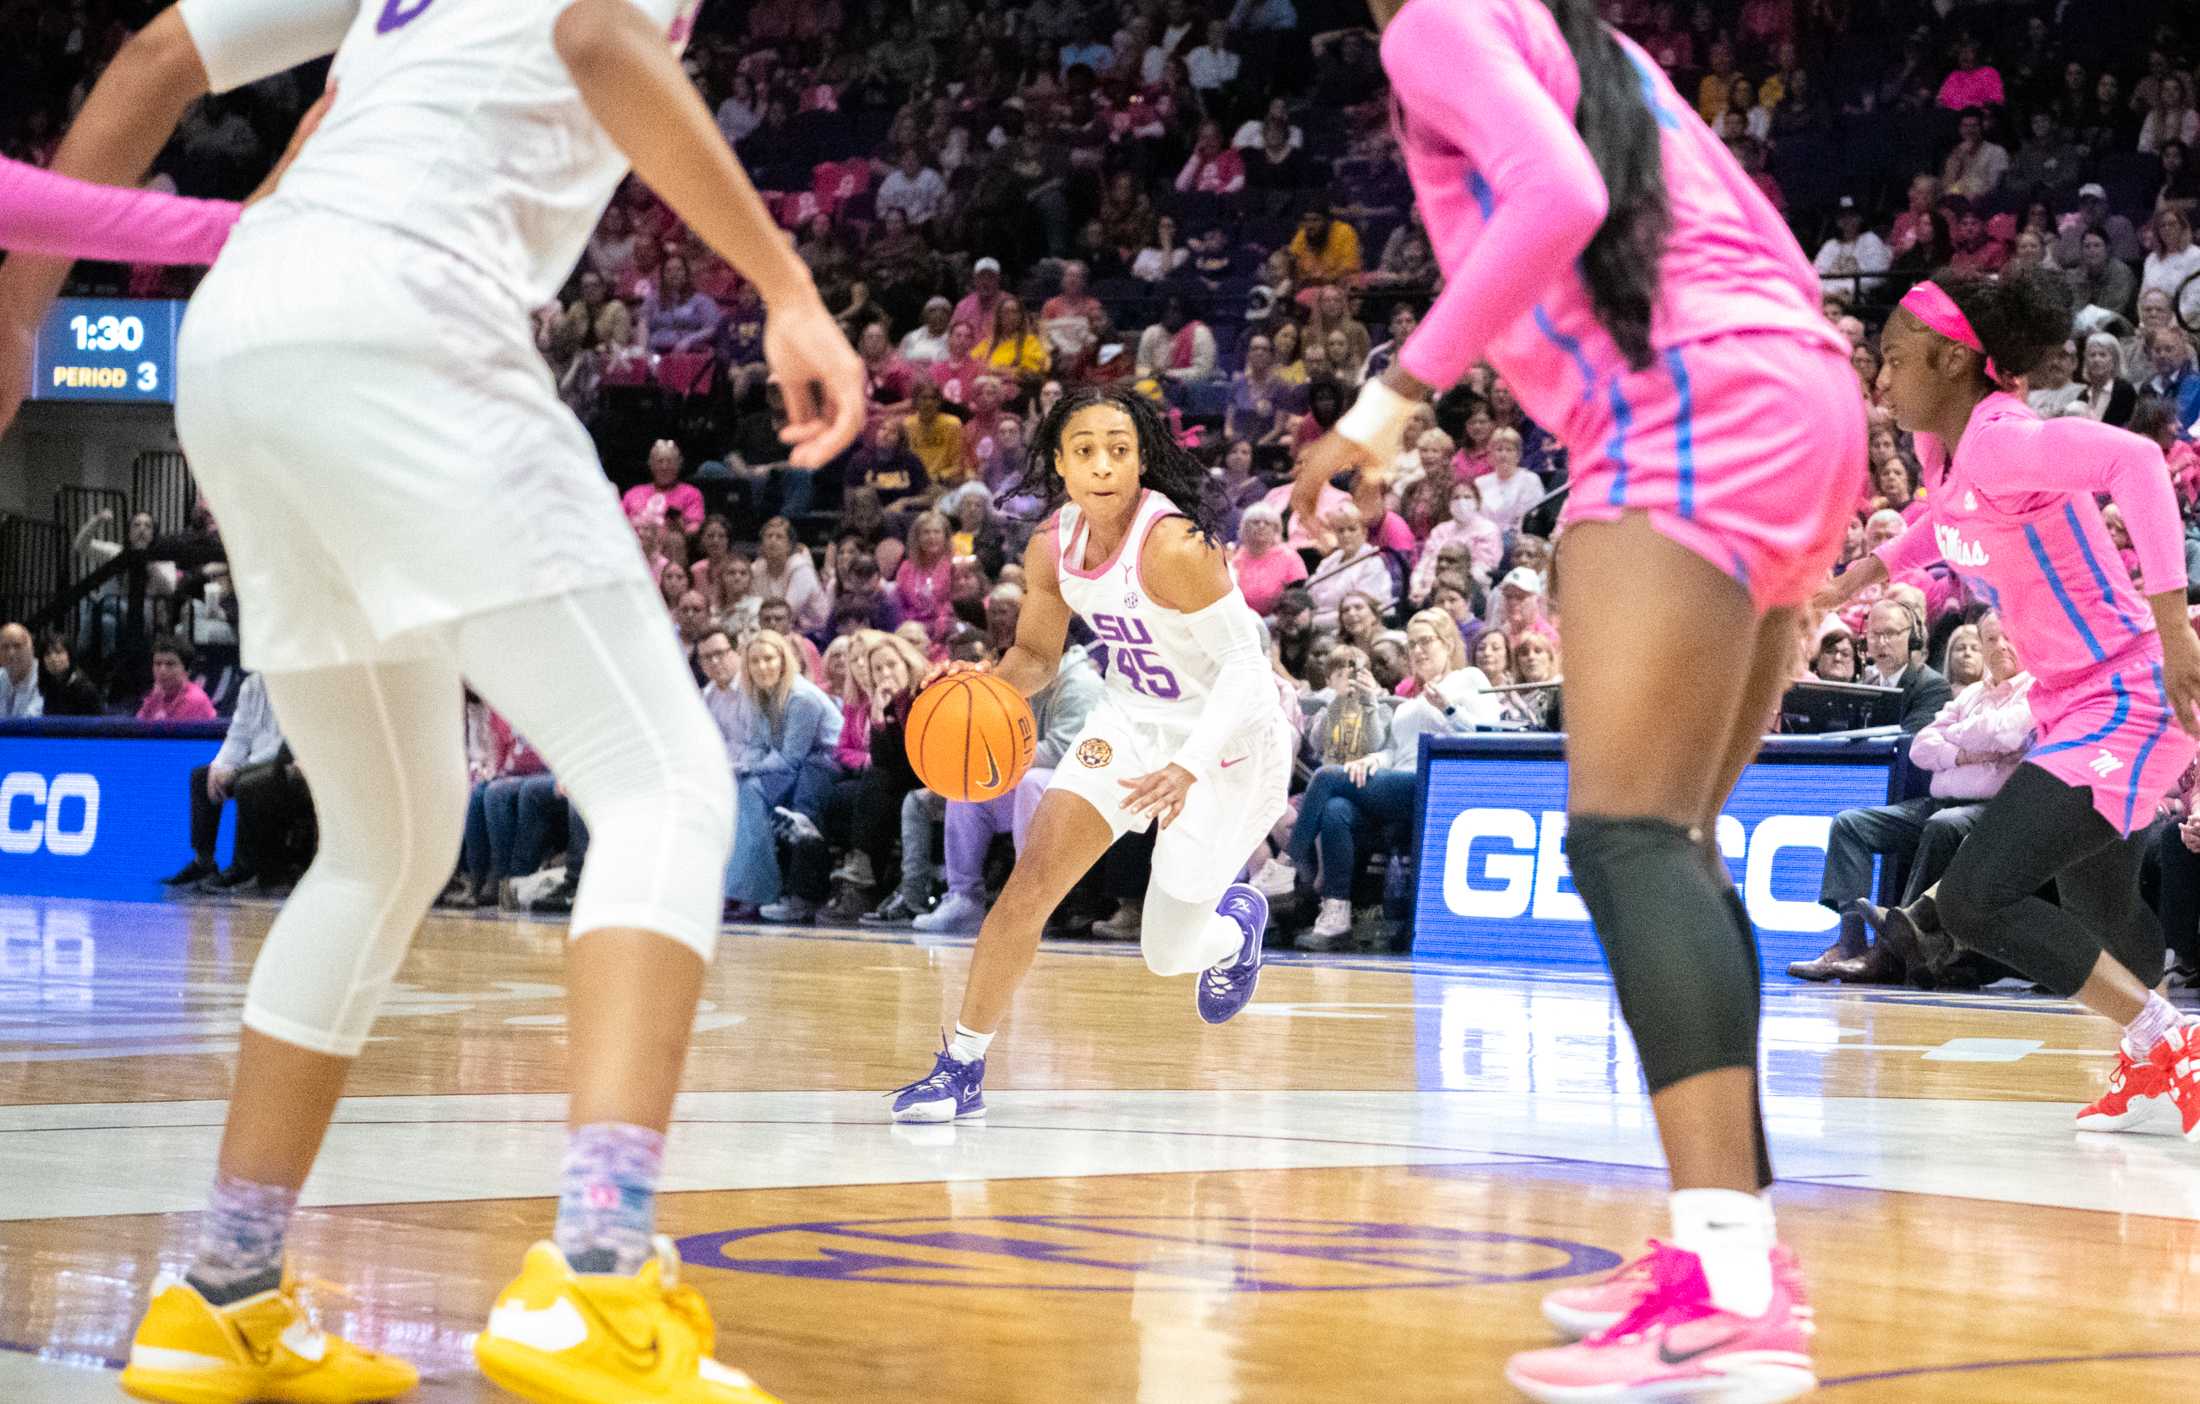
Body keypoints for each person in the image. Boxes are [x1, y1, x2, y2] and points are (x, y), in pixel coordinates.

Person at [3, 3, 867, 1403]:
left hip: (247, 333)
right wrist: (785, 285)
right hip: (403, 319)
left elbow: (166, 56)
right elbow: (597, 32)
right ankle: (597, 1275)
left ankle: (220, 1289)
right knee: (663, 783)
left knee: (389, 839)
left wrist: (16, 315)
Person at [1293, 1, 1868, 1393]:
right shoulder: (1584, 35)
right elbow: (1757, 245)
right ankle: (1728, 1252)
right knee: (1671, 840)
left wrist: (1390, 402)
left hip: (1687, 404)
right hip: (1801, 394)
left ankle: (1730, 1287)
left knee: (1621, 838)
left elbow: (1559, 190)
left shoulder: (1432, 17)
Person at [1820, 270, 2200, 1142]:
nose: (1880, 380)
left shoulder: (2001, 439)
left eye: (1896, 359)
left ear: (1955, 361)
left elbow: (2135, 460)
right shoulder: (1945, 455)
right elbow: (1942, 523)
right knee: (2099, 905)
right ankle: (2153, 1065)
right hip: (2071, 701)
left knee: (1977, 899)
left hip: (2130, 691)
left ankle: (2168, 1041)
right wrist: (1861, 574)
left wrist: (2175, 625)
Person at [887, 386, 1293, 1122]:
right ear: (1059, 463)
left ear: (1141, 462)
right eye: (1085, 450)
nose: (1102, 464)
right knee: (1031, 882)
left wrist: (1189, 767)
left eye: (1118, 449)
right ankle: (962, 1068)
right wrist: (985, 686)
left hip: (1229, 737)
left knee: (1167, 952)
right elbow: (1038, 655)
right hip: (1133, 720)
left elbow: (1244, 668)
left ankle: (1237, 927)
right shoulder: (1053, 544)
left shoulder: (1174, 546)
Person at [1790, 610, 2034, 982]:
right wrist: (1967, 752)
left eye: (2007, 637)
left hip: (1993, 810)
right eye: (1990, 640)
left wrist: (1957, 736)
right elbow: (1922, 746)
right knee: (1851, 824)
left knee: (1943, 825)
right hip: (1939, 800)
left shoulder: (2036, 689)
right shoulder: (1971, 694)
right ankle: (1851, 943)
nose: (1999, 646)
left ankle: (1890, 951)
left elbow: (2009, 733)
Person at [1255, 610, 1495, 944]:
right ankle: (1336, 913)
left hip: (1438, 783)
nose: (1418, 651)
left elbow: (1489, 735)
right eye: (1412, 645)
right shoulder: (1414, 698)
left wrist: (1450, 710)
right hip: (1399, 779)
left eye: (1426, 641)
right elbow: (1396, 749)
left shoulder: (1469, 679)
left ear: (1448, 642)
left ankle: (1284, 864)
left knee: (1326, 778)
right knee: (1337, 807)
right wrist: (1372, 759)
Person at [913, 644, 1107, 931]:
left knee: (1027, 782)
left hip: (1084, 785)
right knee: (968, 787)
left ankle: (1027, 895)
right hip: (1038, 782)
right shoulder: (1023, 680)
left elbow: (1063, 751)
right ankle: (963, 898)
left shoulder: (1081, 684)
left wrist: (998, 756)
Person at [725, 629, 843, 922]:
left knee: (751, 789)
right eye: (755, 661)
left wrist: (748, 768)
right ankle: (745, 888)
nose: (762, 666)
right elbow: (757, 745)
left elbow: (791, 756)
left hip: (824, 764)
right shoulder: (758, 695)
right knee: (743, 788)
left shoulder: (802, 698)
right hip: (792, 766)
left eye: (769, 659)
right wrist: (741, 767)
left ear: (783, 661)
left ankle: (760, 890)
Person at [160, 669, 293, 889]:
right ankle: (204, 862)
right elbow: (238, 735)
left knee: (247, 781)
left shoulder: (299, 684)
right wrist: (219, 767)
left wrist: (238, 770)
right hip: (255, 762)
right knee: (202, 776)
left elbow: (285, 745)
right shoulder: (253, 684)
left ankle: (245, 868)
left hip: (285, 763)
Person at [1857, 598, 1952, 731]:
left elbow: (1911, 741)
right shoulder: (1864, 687)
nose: (1881, 642)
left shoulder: (1934, 687)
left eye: (1890, 633)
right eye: (1874, 634)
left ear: (1912, 638)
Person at [620, 438, 705, 534]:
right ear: (651, 464)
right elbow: (615, 523)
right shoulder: (633, 493)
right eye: (660, 461)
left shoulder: (691, 494)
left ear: (678, 464)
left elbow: (694, 528)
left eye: (670, 461)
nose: (664, 467)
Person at [138, 635, 218, 723]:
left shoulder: (195, 700)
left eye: (170, 664)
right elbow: (136, 729)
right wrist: (153, 702)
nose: (162, 670)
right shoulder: (155, 696)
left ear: (187, 670)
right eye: (157, 664)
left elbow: (168, 734)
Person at [35, 631, 104, 716]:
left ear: (70, 656)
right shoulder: (47, 686)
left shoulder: (85, 689)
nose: (53, 658)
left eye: (58, 652)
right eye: (47, 654)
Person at [0, 622, 42, 719]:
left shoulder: (45, 678)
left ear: (31, 649)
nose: (11, 653)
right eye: (5, 647)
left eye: (17, 646)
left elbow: (32, 720)